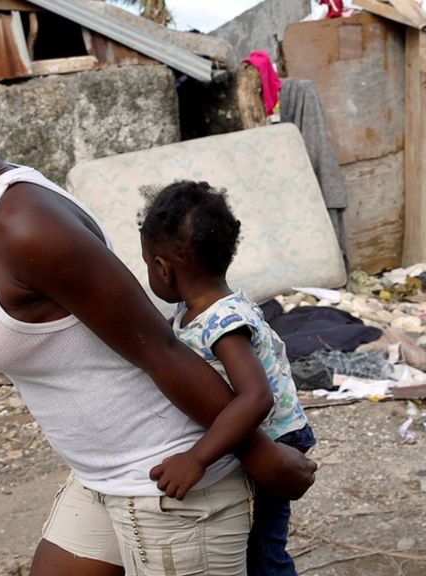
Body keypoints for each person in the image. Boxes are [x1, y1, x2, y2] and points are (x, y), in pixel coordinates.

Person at [0, 12, 316, 576]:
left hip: (168, 481)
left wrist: (263, 457)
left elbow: (160, 351)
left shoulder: (25, 224)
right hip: (104, 476)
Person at [139, 181, 317, 576]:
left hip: (278, 439)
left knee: (264, 552)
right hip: (253, 432)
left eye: (147, 263)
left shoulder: (224, 322)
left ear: (163, 268)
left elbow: (256, 398)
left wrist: (196, 459)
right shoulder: (196, 309)